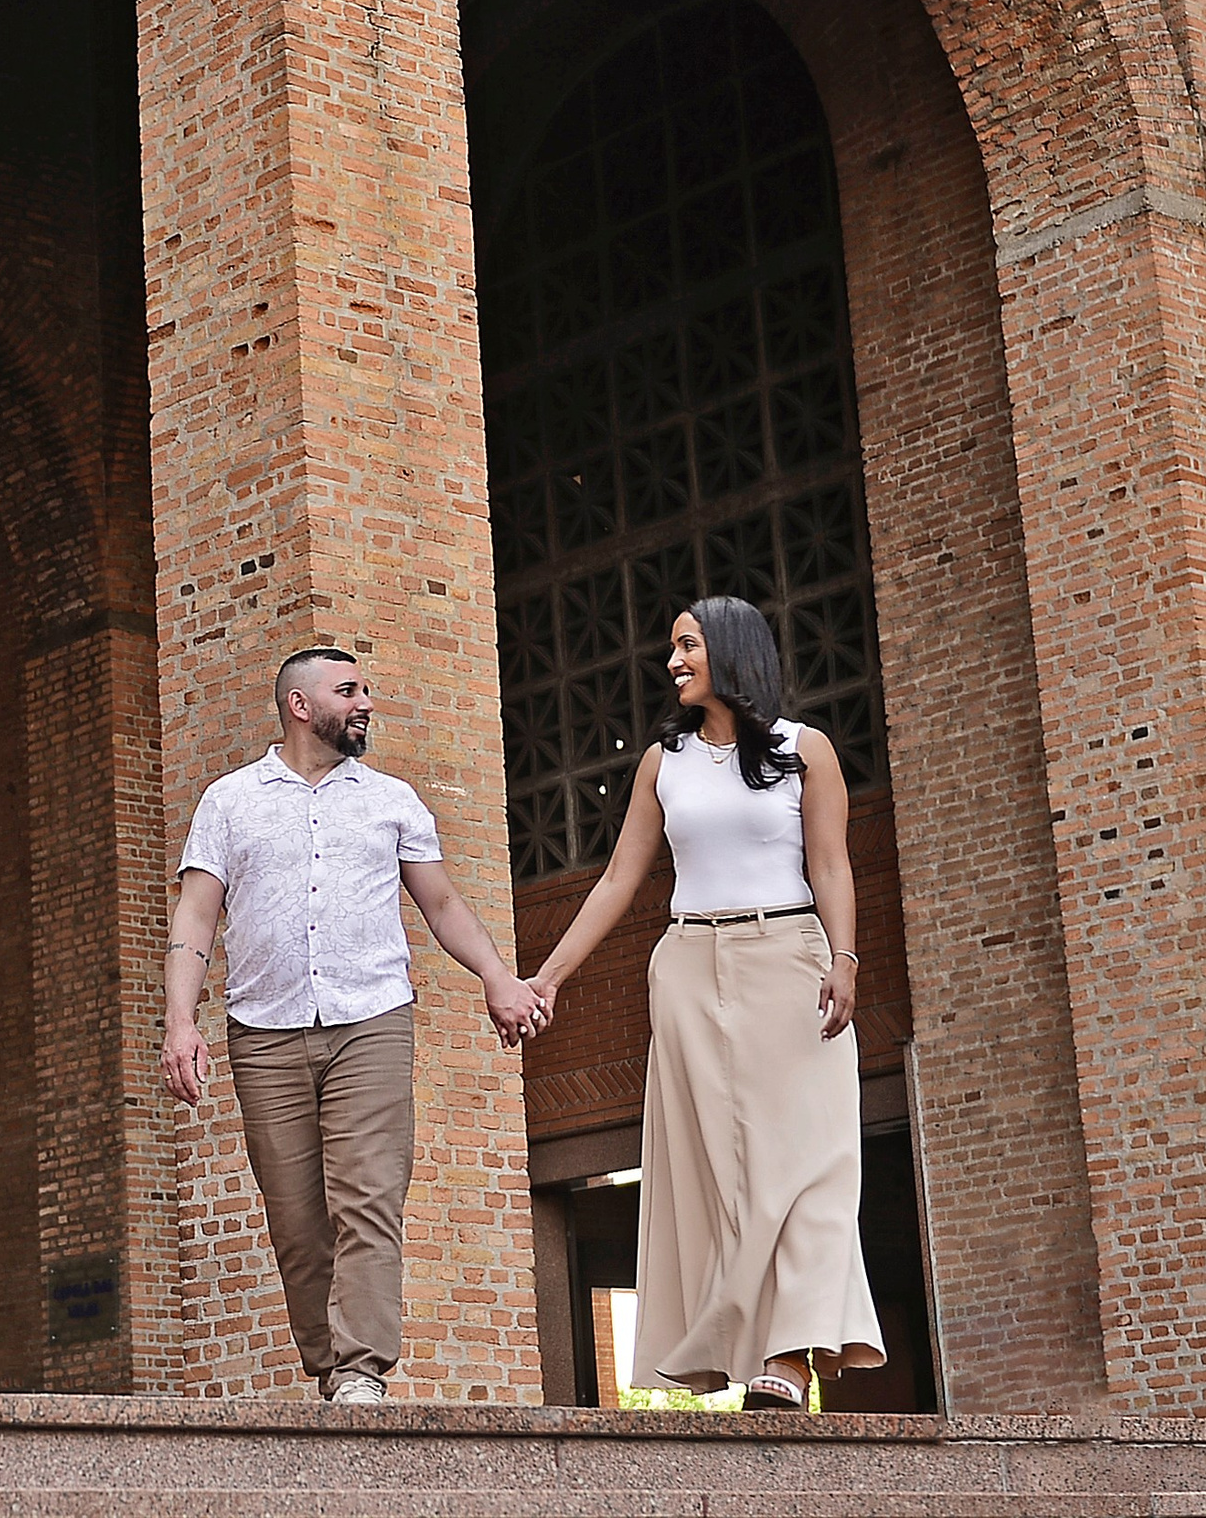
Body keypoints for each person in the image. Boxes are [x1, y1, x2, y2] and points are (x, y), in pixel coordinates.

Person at [161, 646, 548, 1403]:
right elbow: (197, 914)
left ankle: (362, 1367)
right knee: (297, 1216)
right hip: (263, 1031)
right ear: (300, 706)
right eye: (349, 690)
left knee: (369, 1195)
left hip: (371, 1020)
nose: (366, 702)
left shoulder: (392, 801)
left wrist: (497, 976)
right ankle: (330, 1366)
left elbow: (441, 905)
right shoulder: (230, 801)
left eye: (366, 688)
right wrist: (182, 1021)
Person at [527, 597, 883, 1409]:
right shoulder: (665, 761)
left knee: (810, 1161)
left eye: (687, 645)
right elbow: (621, 879)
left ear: (730, 650)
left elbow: (832, 866)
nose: (673, 660)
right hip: (687, 967)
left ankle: (792, 1356)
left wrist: (845, 960)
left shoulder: (806, 751)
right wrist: (548, 976)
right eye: (673, 646)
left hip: (791, 959)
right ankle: (747, 1348)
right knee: (720, 1169)